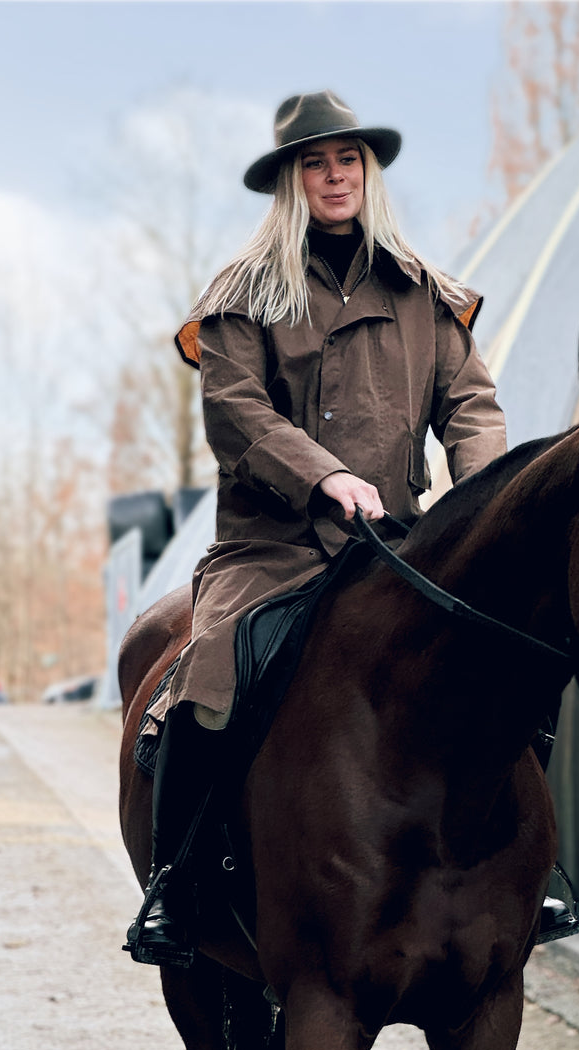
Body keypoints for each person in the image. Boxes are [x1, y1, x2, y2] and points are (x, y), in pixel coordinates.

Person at [124, 91, 508, 967]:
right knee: (211, 672)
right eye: (314, 163)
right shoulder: (243, 293)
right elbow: (235, 409)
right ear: (290, 181)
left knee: (500, 657)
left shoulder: (426, 292)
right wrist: (323, 475)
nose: (335, 177)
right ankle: (175, 884)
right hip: (273, 545)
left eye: (347, 160)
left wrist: (483, 497)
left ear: (367, 172)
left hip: (397, 544)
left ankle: (525, 869)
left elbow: (471, 406)